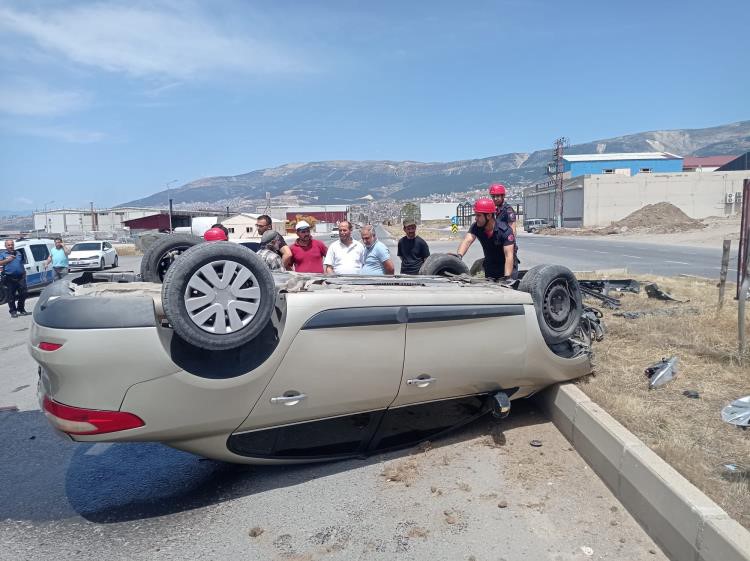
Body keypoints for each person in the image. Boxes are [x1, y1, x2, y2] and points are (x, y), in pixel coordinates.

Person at [455, 198, 518, 280]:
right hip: (490, 267)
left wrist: (507, 278)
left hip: (507, 269)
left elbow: (509, 256)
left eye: (478, 215)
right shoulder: (476, 226)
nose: (475, 218)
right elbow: (467, 241)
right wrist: (459, 257)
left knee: (506, 289)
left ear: (488, 216)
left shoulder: (505, 231)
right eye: (475, 215)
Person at [0, 239, 29, 318]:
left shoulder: (18, 253)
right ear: (6, 246)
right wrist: (7, 260)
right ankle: (13, 311)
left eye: (12, 244)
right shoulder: (2, 254)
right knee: (11, 296)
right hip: (9, 278)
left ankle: (21, 309)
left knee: (23, 293)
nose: (11, 246)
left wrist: (24, 272)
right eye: (9, 245)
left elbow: (21, 263)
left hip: (20, 277)